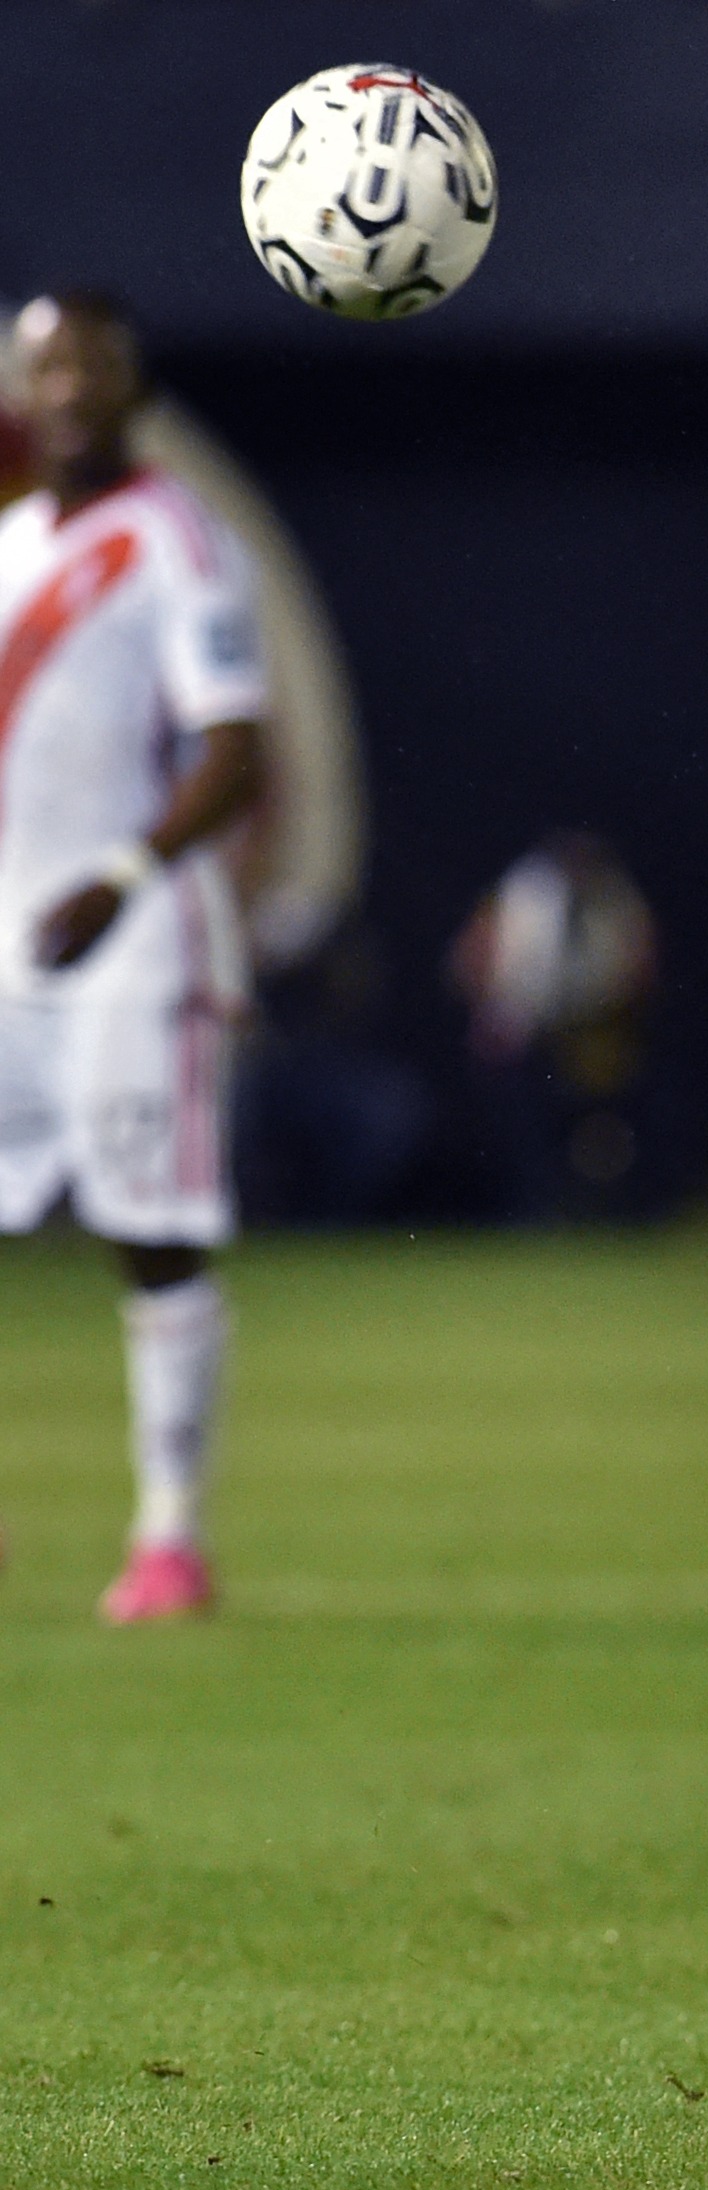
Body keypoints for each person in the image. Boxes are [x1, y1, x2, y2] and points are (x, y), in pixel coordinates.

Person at [0, 294, 268, 1625]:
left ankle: (171, 1535)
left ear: (131, 386)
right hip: (8, 933)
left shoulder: (178, 542)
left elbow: (236, 749)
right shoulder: (9, 546)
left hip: (134, 932)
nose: (68, 384)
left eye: (92, 363)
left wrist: (119, 874)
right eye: (48, 361)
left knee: (145, 1229)